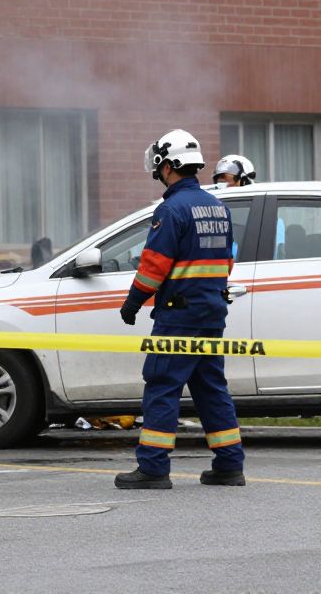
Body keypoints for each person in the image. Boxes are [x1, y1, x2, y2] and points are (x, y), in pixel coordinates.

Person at [115, 129, 245, 489]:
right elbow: (226, 263)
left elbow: (154, 266)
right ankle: (229, 465)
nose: (158, 172)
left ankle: (153, 468)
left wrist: (133, 302)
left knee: (162, 385)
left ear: (169, 166)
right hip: (212, 312)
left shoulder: (171, 209)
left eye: (160, 166)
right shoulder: (218, 208)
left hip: (178, 316)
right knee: (211, 388)